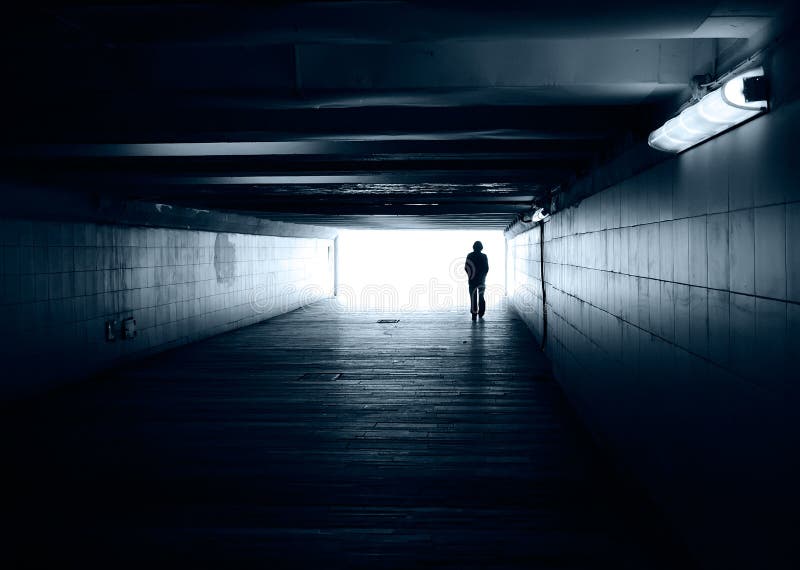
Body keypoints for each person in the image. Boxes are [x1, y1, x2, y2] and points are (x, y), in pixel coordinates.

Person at [464, 241, 489, 320]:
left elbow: (466, 267)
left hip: (472, 280)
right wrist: (483, 276)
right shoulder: (484, 256)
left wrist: (470, 276)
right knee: (481, 296)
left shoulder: (470, 255)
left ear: (473, 247)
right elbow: (486, 268)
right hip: (481, 280)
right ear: (481, 248)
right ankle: (481, 313)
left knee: (473, 297)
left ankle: (474, 314)